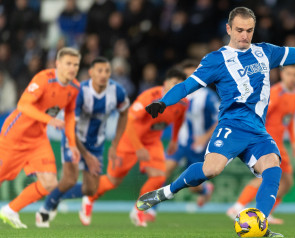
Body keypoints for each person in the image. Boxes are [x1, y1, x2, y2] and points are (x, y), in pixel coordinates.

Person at [137, 6, 295, 237]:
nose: (244, 36)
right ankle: (166, 192)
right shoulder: (216, 60)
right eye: (240, 30)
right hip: (232, 126)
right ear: (229, 29)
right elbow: (186, 85)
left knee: (273, 169)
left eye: (249, 30)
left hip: (258, 132)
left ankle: (260, 225)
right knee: (211, 170)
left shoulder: (265, 52)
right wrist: (164, 101)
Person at [79, 68, 188, 227]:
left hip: (152, 142)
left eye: (181, 85)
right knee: (112, 181)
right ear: (165, 83)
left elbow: (180, 118)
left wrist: (174, 139)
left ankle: (139, 209)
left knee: (159, 176)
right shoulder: (149, 97)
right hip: (130, 140)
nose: (177, 87)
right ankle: (89, 198)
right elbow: (129, 122)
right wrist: (137, 147)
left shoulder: (183, 102)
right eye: (174, 83)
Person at [35, 57, 130, 228]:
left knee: (90, 189)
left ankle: (57, 195)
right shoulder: (80, 92)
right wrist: (86, 156)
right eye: (99, 71)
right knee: (69, 179)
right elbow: (72, 126)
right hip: (73, 137)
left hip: (96, 143)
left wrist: (115, 144)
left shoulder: (117, 91)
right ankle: (46, 208)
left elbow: (124, 113)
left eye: (107, 71)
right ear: (91, 73)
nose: (103, 75)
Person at [0, 47, 81, 229]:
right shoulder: (44, 79)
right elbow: (23, 105)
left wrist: (72, 144)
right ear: (58, 64)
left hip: (37, 139)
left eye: (76, 64)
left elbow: (69, 117)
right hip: (15, 136)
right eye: (68, 63)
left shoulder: (75, 87)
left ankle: (10, 210)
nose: (72, 68)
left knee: (50, 183)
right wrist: (50, 120)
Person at [227, 64, 295, 225]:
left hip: (279, 144)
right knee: (268, 177)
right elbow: (259, 114)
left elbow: (289, 119)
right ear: (282, 74)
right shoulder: (275, 93)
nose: (292, 77)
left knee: (287, 182)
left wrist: (294, 142)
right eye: (289, 73)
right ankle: (237, 207)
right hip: (267, 142)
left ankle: (265, 213)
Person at [145, 60, 219, 222]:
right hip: (179, 143)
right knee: (163, 172)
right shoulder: (177, 94)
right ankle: (152, 210)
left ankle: (204, 189)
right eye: (187, 75)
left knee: (194, 187)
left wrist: (204, 138)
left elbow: (219, 119)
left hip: (198, 146)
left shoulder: (207, 95)